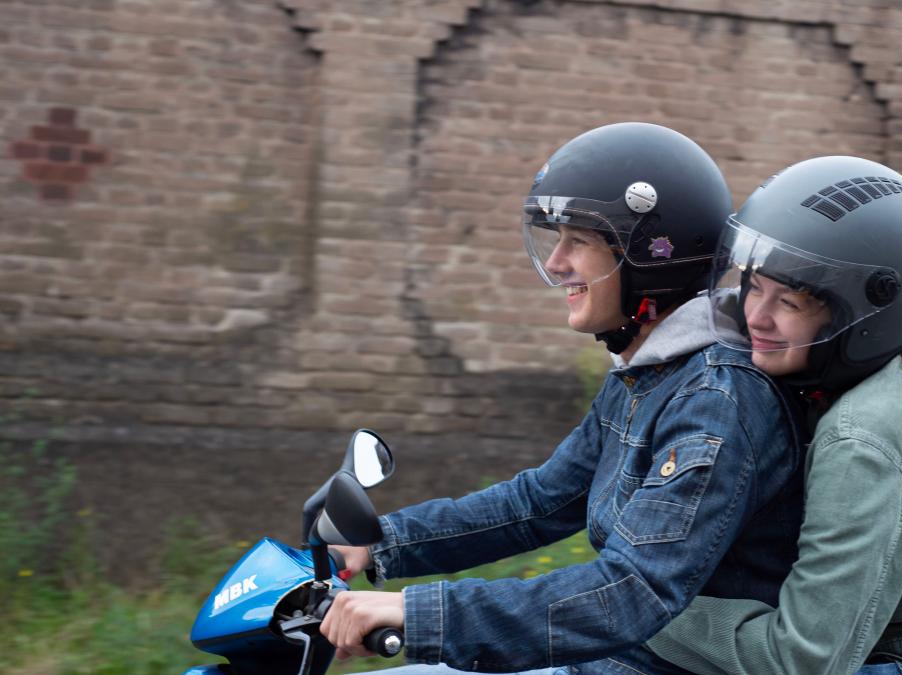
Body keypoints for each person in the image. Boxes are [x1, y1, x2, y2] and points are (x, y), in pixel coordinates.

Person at [319, 123, 808, 674]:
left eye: (578, 242)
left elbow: (635, 588)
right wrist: (377, 544)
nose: (555, 263)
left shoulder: (718, 399)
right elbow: (541, 502)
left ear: (647, 255)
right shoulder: (652, 371)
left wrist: (418, 613)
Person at [645, 156, 902, 675]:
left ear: (865, 318)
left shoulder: (862, 437)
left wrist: (636, 610)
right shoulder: (826, 382)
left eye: (791, 302)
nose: (755, 316)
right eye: (754, 286)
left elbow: (800, 661)